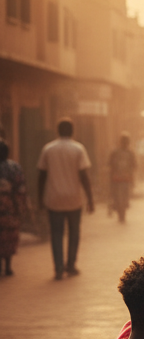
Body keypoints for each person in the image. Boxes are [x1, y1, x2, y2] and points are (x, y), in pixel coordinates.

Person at [37, 118, 94, 279]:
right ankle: (71, 265)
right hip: (74, 199)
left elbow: (41, 176)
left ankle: (59, 268)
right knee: (74, 233)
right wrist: (90, 199)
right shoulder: (78, 149)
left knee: (56, 233)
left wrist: (40, 199)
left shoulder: (48, 149)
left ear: (57, 131)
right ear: (72, 131)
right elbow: (84, 176)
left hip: (54, 198)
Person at [0, 140, 28, 276]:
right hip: (10, 207)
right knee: (9, 235)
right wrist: (21, 205)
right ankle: (8, 266)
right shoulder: (14, 167)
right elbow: (20, 188)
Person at [108, 132, 136, 223]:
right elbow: (110, 164)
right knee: (120, 197)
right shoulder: (117, 152)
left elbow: (134, 165)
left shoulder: (127, 153)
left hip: (123, 179)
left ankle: (122, 213)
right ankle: (121, 213)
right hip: (119, 179)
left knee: (122, 197)